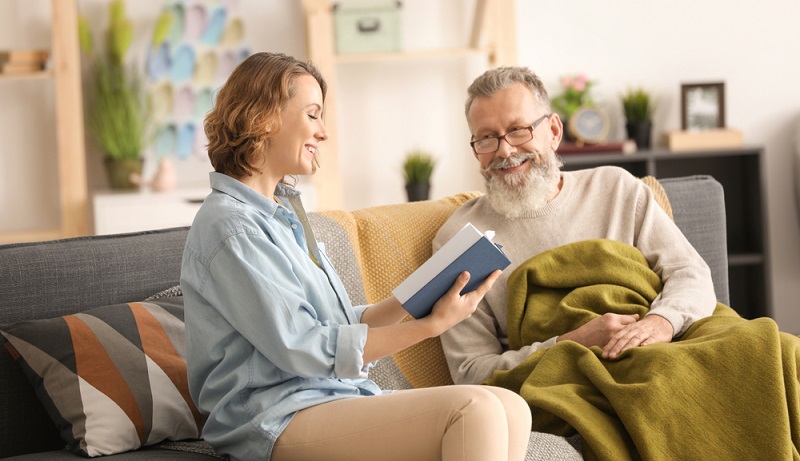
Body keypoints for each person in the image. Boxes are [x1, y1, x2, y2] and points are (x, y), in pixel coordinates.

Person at [180, 52, 532, 461]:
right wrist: (430, 327)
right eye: (313, 115)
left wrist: (416, 298)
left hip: (326, 397)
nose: (324, 132)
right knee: (479, 409)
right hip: (271, 417)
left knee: (511, 407)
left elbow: (336, 325)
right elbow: (303, 346)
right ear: (264, 119)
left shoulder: (283, 216)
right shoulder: (231, 226)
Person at [434, 66, 718, 386]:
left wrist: (661, 322)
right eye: (486, 138)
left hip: (666, 345)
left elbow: (690, 272)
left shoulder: (616, 188)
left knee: (770, 350)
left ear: (554, 131)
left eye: (518, 130)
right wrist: (570, 344)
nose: (505, 150)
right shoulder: (462, 240)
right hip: (572, 384)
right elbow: (470, 372)